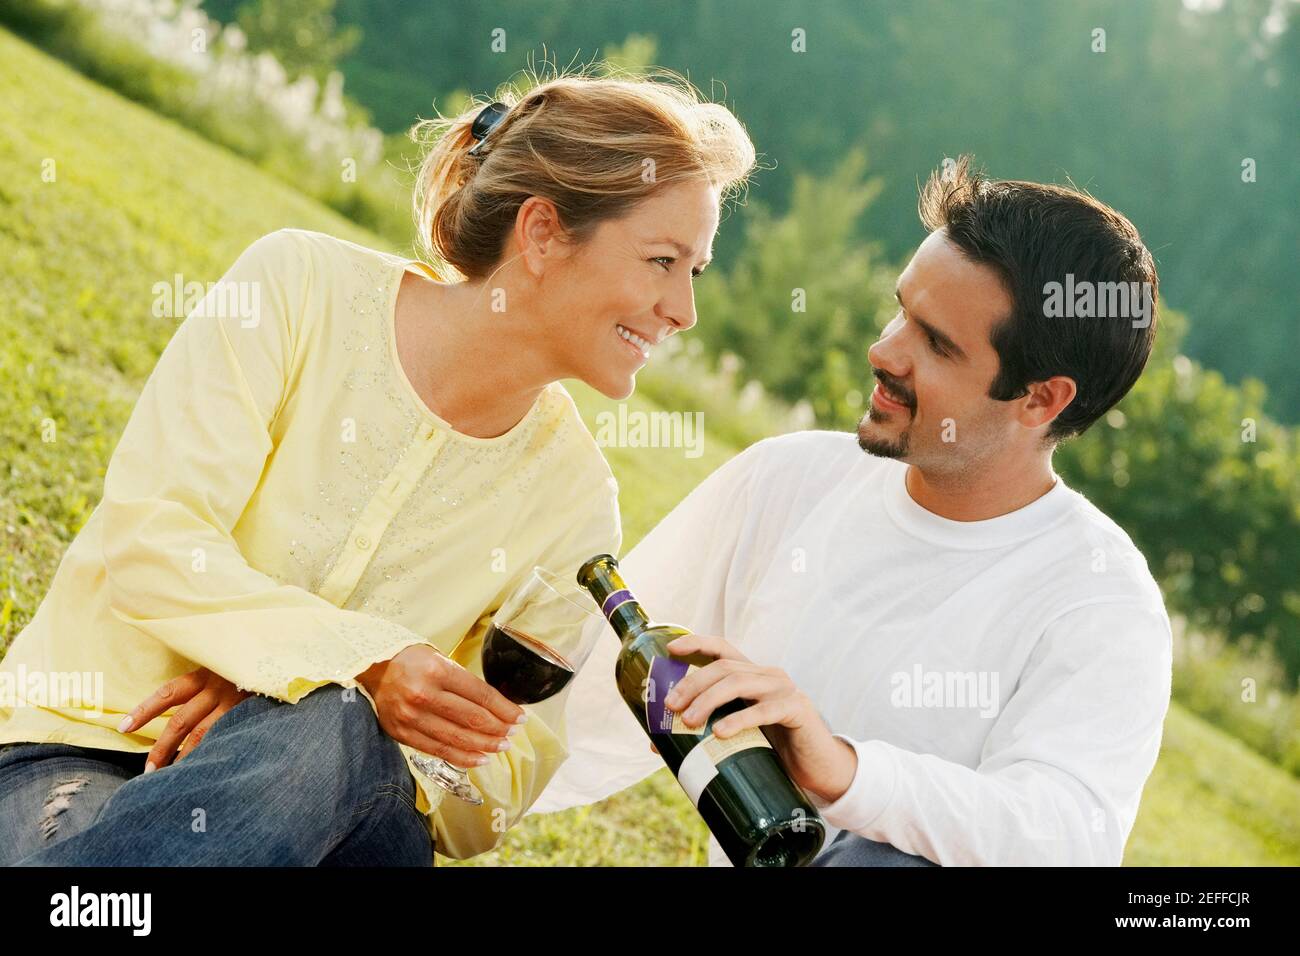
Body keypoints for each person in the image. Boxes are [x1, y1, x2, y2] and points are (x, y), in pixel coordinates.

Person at [0, 68, 756, 866]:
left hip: (345, 833)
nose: (684, 311)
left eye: (694, 271)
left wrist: (305, 711)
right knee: (323, 725)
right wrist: (344, 669)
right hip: (93, 747)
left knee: (331, 733)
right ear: (541, 233)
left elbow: (494, 790)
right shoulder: (295, 289)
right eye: (663, 260)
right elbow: (155, 536)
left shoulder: (576, 504)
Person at [530, 155, 1173, 867]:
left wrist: (845, 771)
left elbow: (1067, 837)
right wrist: (436, 781)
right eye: (903, 310)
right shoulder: (790, 479)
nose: (883, 350)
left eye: (936, 343)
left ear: (1040, 400)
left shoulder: (1101, 599)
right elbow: (591, 706)